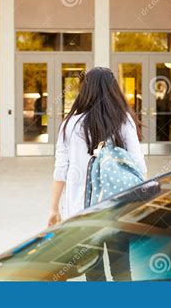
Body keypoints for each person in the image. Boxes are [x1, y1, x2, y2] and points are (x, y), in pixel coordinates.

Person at [48, 67, 147, 226]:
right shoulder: (124, 120)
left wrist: (53, 209)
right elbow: (139, 166)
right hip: (117, 207)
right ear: (113, 90)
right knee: (118, 250)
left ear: (85, 90)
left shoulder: (69, 124)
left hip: (77, 209)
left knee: (82, 250)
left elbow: (61, 170)